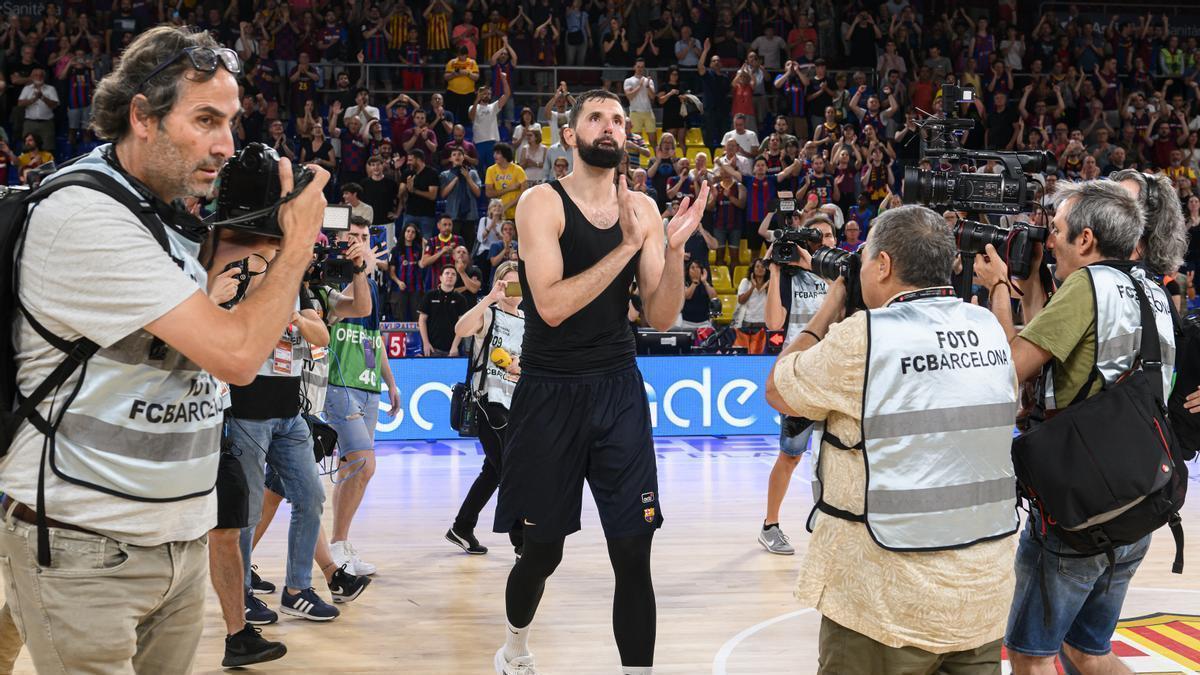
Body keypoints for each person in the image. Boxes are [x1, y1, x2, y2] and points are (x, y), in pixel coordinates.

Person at [0, 26, 329, 673]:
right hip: (86, 538)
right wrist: (295, 244)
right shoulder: (88, 215)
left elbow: (202, 336)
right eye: (205, 120)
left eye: (230, 122)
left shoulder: (166, 214)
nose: (224, 144)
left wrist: (249, 236)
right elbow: (236, 354)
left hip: (176, 539)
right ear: (142, 117)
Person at [493, 89, 710, 675]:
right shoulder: (542, 202)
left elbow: (660, 317)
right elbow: (552, 306)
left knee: (634, 553)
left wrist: (672, 247)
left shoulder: (643, 210)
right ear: (571, 135)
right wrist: (630, 247)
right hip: (549, 391)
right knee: (543, 552)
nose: (610, 126)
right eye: (596, 118)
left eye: (618, 118)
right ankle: (514, 645)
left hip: (618, 390)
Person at [765, 204, 1020, 674]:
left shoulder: (864, 336)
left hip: (884, 600)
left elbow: (779, 390)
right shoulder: (987, 326)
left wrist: (829, 308)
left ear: (882, 265)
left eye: (863, 261)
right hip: (982, 594)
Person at [975, 177, 1185, 675]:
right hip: (1140, 496)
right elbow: (1070, 354)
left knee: (1031, 656)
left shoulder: (1088, 286)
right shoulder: (1151, 289)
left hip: (1081, 509)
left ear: (1086, 239)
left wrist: (999, 288)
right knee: (1088, 652)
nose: (1048, 240)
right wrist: (1031, 285)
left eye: (1056, 229)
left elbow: (1007, 370)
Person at [321, 218, 403, 577]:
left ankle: (340, 544)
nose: (359, 242)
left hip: (368, 385)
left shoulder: (370, 284)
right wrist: (354, 270)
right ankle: (335, 546)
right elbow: (332, 317)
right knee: (364, 465)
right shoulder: (329, 278)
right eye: (352, 236)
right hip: (337, 383)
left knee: (350, 467)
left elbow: (375, 338)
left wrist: (391, 382)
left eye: (364, 237)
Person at [756, 213, 834, 554]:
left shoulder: (840, 274)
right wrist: (775, 270)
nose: (825, 240)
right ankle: (770, 525)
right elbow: (774, 323)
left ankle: (832, 522)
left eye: (829, 235)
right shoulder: (789, 276)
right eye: (819, 236)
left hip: (834, 374)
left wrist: (816, 266)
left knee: (837, 455)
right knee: (791, 456)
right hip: (799, 377)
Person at [445, 261, 527, 556]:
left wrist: (520, 365)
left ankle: (462, 526)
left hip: (516, 403)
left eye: (518, 284)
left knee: (493, 470)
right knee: (512, 470)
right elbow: (460, 328)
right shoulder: (489, 313)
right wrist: (490, 298)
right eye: (508, 284)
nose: (513, 291)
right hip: (488, 401)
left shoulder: (528, 320)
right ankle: (522, 543)